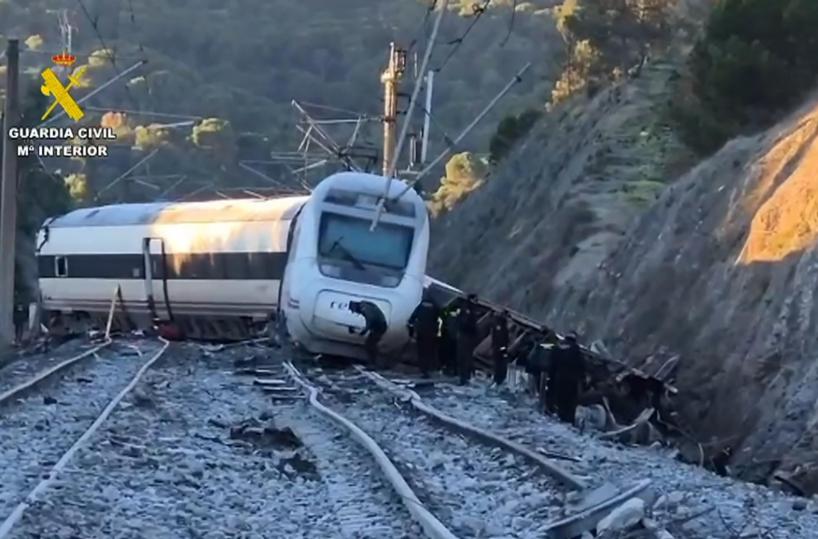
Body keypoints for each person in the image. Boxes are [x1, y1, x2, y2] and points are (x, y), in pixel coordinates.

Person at [552, 331, 586, 424]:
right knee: (570, 406)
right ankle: (569, 422)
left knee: (559, 403)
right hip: (571, 383)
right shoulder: (575, 349)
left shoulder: (557, 347)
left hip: (559, 380)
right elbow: (581, 367)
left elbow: (552, 364)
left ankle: (559, 418)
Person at [408, 297, 440, 378]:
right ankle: (430, 368)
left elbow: (412, 318)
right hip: (431, 332)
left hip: (421, 331)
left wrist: (411, 330)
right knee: (429, 351)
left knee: (421, 351)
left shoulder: (420, 306)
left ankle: (423, 369)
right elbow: (438, 319)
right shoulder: (435, 307)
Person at [455, 294, 479, 385]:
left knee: (466, 356)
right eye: (476, 299)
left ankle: (465, 376)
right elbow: (465, 323)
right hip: (466, 335)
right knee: (465, 356)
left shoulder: (469, 308)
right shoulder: (468, 309)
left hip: (466, 335)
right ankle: (464, 377)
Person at [491, 310, 510, 386]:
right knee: (500, 365)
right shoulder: (501, 325)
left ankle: (498, 380)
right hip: (500, 348)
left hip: (497, 348)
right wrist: (503, 349)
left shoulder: (499, 324)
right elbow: (501, 338)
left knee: (498, 365)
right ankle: (498, 380)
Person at [438, 307, 458, 376]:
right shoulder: (458, 318)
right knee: (453, 355)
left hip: (447, 338)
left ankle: (445, 367)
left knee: (446, 354)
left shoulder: (447, 317)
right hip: (454, 339)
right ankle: (454, 370)